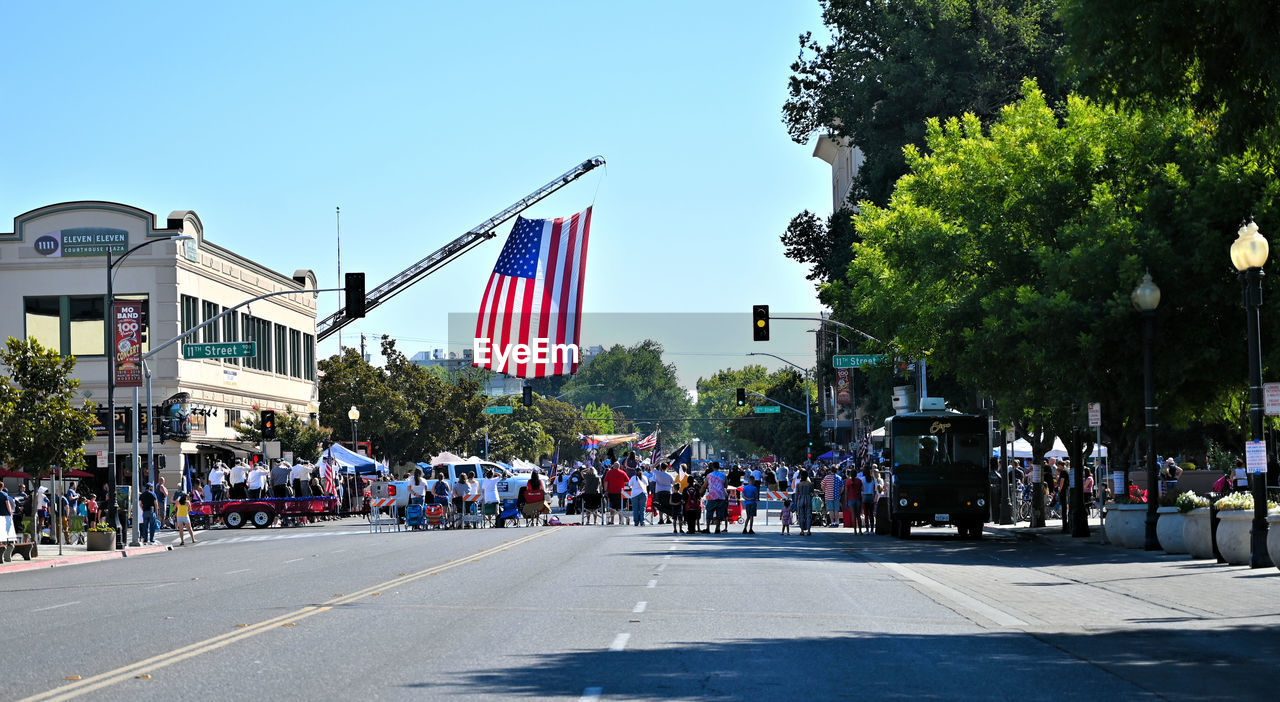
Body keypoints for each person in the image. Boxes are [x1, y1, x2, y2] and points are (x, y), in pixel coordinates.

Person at [704, 462, 728, 534]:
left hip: (712, 496)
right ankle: (717, 528)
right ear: (719, 467)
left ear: (712, 467)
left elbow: (705, 485)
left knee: (709, 512)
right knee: (719, 513)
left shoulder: (709, 475)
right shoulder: (724, 475)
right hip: (721, 496)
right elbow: (726, 486)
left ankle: (707, 528)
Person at [603, 460, 629, 526]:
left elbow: (606, 482)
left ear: (613, 466)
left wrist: (606, 490)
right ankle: (620, 520)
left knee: (612, 507)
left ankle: (612, 520)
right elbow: (628, 481)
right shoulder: (623, 473)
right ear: (619, 466)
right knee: (620, 506)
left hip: (611, 492)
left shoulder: (609, 473)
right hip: (621, 492)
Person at [794, 469, 814, 536]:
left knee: (801, 515)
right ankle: (808, 530)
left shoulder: (798, 484)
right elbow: (812, 493)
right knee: (808, 515)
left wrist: (796, 502)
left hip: (801, 499)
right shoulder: (810, 484)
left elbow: (796, 494)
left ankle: (802, 530)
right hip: (808, 499)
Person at [861, 466, 878, 534]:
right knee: (871, 513)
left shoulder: (862, 479)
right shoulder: (873, 479)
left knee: (866, 513)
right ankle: (872, 529)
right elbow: (875, 488)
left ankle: (867, 529)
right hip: (871, 496)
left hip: (865, 496)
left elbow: (861, 488)